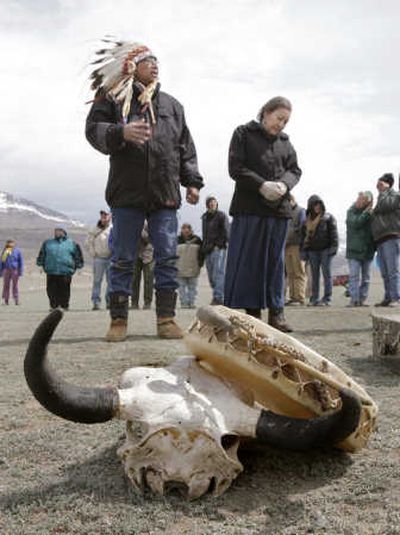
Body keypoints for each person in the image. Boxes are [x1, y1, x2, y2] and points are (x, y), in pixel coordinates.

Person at [85, 39, 203, 341]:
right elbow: (93, 130)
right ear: (130, 66)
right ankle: (119, 321)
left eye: (156, 61)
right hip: (127, 193)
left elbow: (185, 147)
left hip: (165, 193)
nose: (155, 64)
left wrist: (191, 181)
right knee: (123, 257)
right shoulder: (112, 98)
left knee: (167, 256)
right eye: (147, 60)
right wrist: (120, 132)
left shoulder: (172, 106)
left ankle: (166, 319)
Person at [224, 96, 301, 332]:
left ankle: (276, 313)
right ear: (266, 112)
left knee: (276, 263)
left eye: (285, 122)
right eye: (279, 118)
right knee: (250, 262)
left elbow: (295, 170)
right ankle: (253, 313)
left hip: (278, 211)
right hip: (249, 207)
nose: (281, 125)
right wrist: (261, 185)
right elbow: (235, 167)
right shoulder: (243, 134)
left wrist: (284, 185)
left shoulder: (286, 144)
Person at [300, 195, 338, 306]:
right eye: (315, 205)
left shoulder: (328, 217)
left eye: (319, 204)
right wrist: (303, 252)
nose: (317, 207)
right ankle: (314, 299)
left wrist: (333, 248)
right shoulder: (306, 221)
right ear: (310, 206)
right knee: (314, 276)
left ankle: (327, 299)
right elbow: (303, 238)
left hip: (326, 250)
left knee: (327, 274)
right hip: (312, 251)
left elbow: (334, 234)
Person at [36, 227, 84, 310]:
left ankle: (64, 306)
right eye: (55, 231)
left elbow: (78, 255)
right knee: (51, 290)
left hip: (65, 271)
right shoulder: (47, 243)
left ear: (63, 232)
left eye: (58, 230)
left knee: (65, 289)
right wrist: (40, 264)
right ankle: (53, 306)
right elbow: (42, 254)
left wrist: (79, 266)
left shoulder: (72, 243)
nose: (56, 232)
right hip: (51, 270)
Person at [371, 173, 400, 307]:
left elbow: (386, 206)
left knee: (392, 270)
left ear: (388, 183)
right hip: (381, 239)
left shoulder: (394, 196)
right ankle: (388, 296)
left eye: (380, 183)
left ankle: (396, 297)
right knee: (385, 271)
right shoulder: (382, 197)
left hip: (391, 236)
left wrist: (385, 191)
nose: (378, 186)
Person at [345, 191, 375, 307]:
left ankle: (362, 299)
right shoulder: (351, 211)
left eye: (363, 200)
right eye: (359, 198)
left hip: (368, 250)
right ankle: (354, 300)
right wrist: (366, 213)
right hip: (354, 250)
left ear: (368, 203)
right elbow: (355, 223)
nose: (359, 201)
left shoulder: (372, 214)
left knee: (366, 277)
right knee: (354, 276)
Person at [201, 196, 229, 305]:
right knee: (212, 276)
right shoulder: (204, 217)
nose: (212, 204)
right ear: (207, 204)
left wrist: (220, 244)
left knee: (219, 273)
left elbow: (226, 231)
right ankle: (220, 294)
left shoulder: (221, 215)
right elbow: (205, 234)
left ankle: (218, 297)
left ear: (217, 204)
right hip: (207, 249)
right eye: (210, 202)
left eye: (214, 202)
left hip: (218, 248)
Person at [85, 209, 112, 310]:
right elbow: (88, 242)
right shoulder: (94, 229)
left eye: (106, 215)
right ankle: (96, 302)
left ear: (110, 217)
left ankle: (109, 301)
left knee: (111, 281)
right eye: (102, 216)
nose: (104, 217)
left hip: (110, 258)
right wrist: (94, 253)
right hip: (99, 258)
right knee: (97, 281)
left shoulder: (113, 229)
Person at [285, 195, 307, 305]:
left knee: (299, 271)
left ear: (293, 201)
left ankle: (300, 297)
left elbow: (302, 228)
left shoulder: (301, 211)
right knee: (290, 272)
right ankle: (293, 297)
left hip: (297, 245)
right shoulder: (286, 212)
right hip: (287, 246)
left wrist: (289, 233)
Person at [177, 223, 203, 308]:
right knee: (182, 288)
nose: (186, 230)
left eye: (187, 228)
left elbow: (201, 255)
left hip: (193, 268)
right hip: (180, 268)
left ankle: (191, 303)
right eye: (184, 228)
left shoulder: (198, 240)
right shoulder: (176, 240)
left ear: (191, 230)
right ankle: (184, 303)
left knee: (192, 288)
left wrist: (200, 265)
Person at [131, 221, 154, 310]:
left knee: (149, 280)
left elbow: (151, 238)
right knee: (134, 279)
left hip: (149, 254)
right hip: (135, 253)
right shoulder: (133, 219)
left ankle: (147, 303)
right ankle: (134, 302)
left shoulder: (152, 221)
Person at [0, 239, 23, 305]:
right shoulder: (6, 251)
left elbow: (20, 262)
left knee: (15, 286)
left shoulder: (17, 251)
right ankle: (6, 300)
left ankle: (16, 300)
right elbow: (2, 262)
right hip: (6, 270)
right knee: (6, 285)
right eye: (9, 243)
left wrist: (20, 271)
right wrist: (1, 271)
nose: (10, 244)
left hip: (15, 270)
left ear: (14, 243)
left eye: (11, 243)